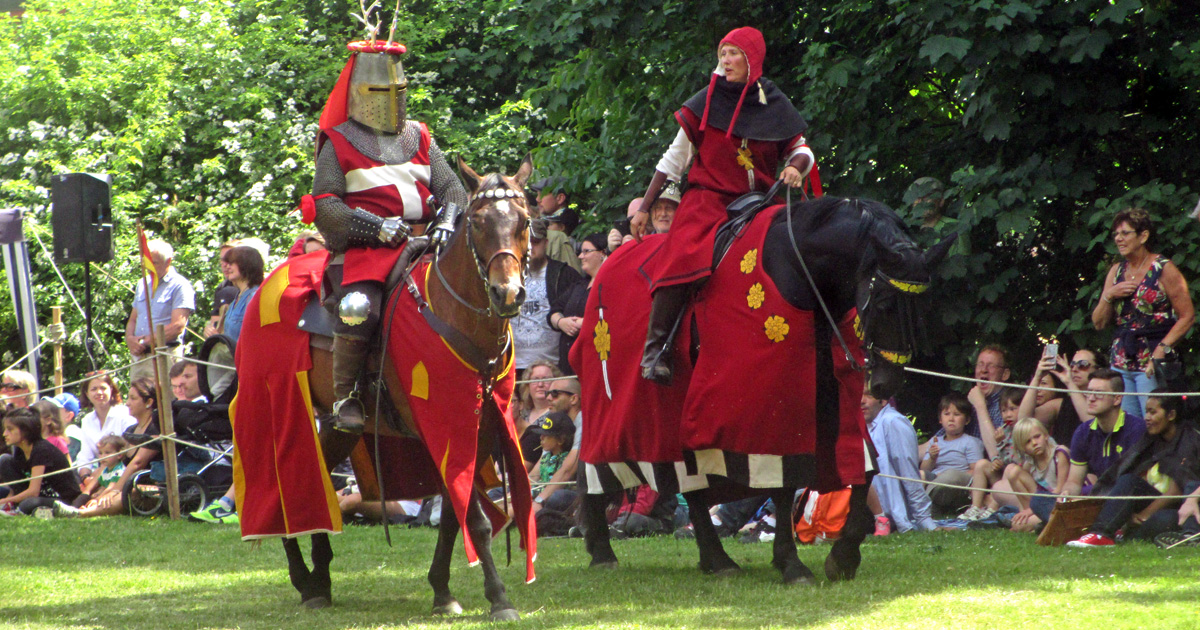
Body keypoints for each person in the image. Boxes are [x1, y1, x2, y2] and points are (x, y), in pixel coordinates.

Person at [632, 26, 815, 383]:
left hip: (761, 204)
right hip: (709, 200)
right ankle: (656, 350)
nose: (726, 61)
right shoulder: (705, 101)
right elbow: (673, 161)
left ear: (752, 60)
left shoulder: (774, 103)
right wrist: (644, 207)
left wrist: (794, 166)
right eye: (723, 54)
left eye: (733, 54)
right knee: (683, 250)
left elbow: (802, 149)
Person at [305, 39, 469, 434]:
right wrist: (375, 226)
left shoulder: (418, 135)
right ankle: (346, 397)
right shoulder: (339, 141)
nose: (392, 99)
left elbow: (454, 189)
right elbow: (325, 205)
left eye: (399, 91)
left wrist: (447, 221)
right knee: (359, 306)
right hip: (368, 251)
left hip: (428, 243)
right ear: (361, 92)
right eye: (381, 91)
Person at [1014, 368, 1147, 533]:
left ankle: (1073, 526)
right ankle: (1080, 525)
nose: (1090, 398)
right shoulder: (1083, 432)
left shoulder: (1136, 428)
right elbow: (1075, 481)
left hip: (1127, 499)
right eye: (1089, 392)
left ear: (1117, 399)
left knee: (1127, 486)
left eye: (1098, 393)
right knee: (1038, 501)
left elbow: (1138, 480)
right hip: (1096, 500)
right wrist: (1067, 496)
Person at [1091, 207, 1194, 417]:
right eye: (1116, 234)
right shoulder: (1116, 271)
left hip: (1152, 361)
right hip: (1121, 362)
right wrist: (1109, 295)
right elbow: (1099, 323)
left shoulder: (1163, 268)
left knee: (1155, 423)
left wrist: (1161, 351)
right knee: (1129, 426)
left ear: (1143, 236)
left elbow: (1187, 316)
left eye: (1125, 233)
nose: (1118, 239)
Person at [1068, 390, 1200, 547]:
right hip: (1156, 501)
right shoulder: (1152, 440)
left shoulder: (1189, 441)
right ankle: (1100, 533)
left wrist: (1144, 515)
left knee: (1156, 523)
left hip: (1182, 507)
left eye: (1153, 412)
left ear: (1171, 415)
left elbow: (1178, 489)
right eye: (1146, 412)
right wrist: (1127, 512)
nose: (1147, 418)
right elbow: (1134, 471)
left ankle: (1184, 537)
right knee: (1128, 480)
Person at [54, 378, 160, 519]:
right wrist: (89, 488)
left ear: (149, 402)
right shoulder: (132, 430)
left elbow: (137, 463)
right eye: (128, 398)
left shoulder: (155, 428)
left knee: (128, 493)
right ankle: (78, 504)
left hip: (146, 484)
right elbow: (111, 462)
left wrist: (115, 489)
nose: (127, 403)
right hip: (122, 479)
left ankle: (80, 513)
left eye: (133, 399)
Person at [863, 392, 937, 534]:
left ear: (883, 400)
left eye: (868, 395)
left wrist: (924, 519)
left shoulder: (893, 422)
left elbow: (908, 474)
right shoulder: (863, 424)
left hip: (888, 516)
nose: (861, 401)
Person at [514, 219, 582, 371]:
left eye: (535, 242)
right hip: (514, 366)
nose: (530, 247)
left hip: (554, 365)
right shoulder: (506, 276)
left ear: (546, 242)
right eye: (525, 241)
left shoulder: (564, 274)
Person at [125, 239, 195, 382]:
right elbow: (133, 318)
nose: (148, 267)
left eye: (154, 263)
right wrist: (130, 339)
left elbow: (178, 326)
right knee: (138, 401)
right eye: (146, 262)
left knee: (165, 400)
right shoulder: (142, 284)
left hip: (164, 354)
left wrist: (147, 340)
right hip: (139, 358)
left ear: (168, 262)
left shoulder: (180, 285)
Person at [0, 408, 82, 515]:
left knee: (27, 504)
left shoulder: (41, 449)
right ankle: (16, 507)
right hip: (39, 495)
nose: (4, 434)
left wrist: (5, 501)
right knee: (4, 459)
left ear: (25, 431)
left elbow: (34, 491)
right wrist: (7, 500)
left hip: (61, 498)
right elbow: (17, 485)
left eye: (10, 429)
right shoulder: (19, 448)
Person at [962, 387, 1026, 521]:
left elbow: (1017, 461)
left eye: (1013, 409)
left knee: (1009, 469)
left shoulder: (1025, 431)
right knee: (982, 464)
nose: (1008, 414)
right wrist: (997, 457)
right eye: (1004, 410)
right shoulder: (1005, 431)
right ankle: (975, 507)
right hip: (1002, 479)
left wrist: (1003, 450)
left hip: (1016, 482)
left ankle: (992, 508)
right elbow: (1003, 458)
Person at [548, 233, 607, 375]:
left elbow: (615, 318)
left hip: (595, 360)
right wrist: (561, 322)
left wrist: (585, 324)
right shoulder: (578, 285)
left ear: (602, 254)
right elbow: (554, 310)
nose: (581, 256)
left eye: (587, 251)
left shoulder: (610, 286)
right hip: (568, 362)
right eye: (581, 252)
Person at [920, 392, 986, 512]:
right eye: (946, 414)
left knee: (950, 475)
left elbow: (976, 471)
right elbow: (925, 469)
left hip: (956, 481)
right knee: (918, 475)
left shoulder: (970, 442)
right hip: (934, 478)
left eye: (957, 414)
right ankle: (916, 505)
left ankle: (925, 506)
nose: (951, 419)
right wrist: (932, 458)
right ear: (940, 419)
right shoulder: (935, 441)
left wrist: (945, 475)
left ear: (967, 420)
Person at [1004, 417, 1070, 529]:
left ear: (1046, 435)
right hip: (1041, 504)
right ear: (1022, 448)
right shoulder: (1029, 465)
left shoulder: (1059, 454)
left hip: (1063, 501)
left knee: (1018, 526)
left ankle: (1037, 522)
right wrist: (1026, 511)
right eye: (1028, 441)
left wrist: (1030, 511)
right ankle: (1033, 521)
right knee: (1014, 472)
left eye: (1037, 437)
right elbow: (1027, 494)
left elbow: (1060, 490)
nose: (1034, 443)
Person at [75, 372, 135, 478]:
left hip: (123, 473)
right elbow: (85, 457)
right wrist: (86, 478)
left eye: (103, 388)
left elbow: (129, 451)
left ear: (111, 390)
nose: (99, 392)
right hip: (99, 476)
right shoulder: (87, 420)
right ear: (87, 393)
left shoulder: (125, 414)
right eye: (94, 389)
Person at [528, 411, 577, 515]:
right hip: (540, 494)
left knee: (556, 497)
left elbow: (552, 487)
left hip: (557, 497)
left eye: (546, 435)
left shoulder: (567, 460)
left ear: (560, 440)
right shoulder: (545, 458)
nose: (541, 438)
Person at [514, 361, 560, 472]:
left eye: (545, 379)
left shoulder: (557, 414)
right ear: (527, 385)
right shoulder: (521, 411)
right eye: (535, 380)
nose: (540, 384)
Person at [530, 177, 584, 272]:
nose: (537, 199)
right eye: (537, 195)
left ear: (560, 198)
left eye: (542, 194)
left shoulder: (561, 233)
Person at [218, 245, 265, 342]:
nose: (227, 266)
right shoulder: (237, 297)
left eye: (231, 263)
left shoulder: (254, 296)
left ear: (246, 264)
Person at [203, 239, 242, 338]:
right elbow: (215, 323)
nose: (225, 264)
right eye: (222, 260)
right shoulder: (222, 288)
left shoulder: (255, 288)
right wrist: (209, 330)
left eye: (229, 260)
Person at [78, 435, 128, 501]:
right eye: (100, 453)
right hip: (106, 494)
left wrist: (97, 499)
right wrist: (97, 494)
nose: (103, 456)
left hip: (117, 496)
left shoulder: (118, 471)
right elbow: (104, 486)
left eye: (107, 453)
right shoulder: (106, 470)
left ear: (119, 455)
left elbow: (110, 488)